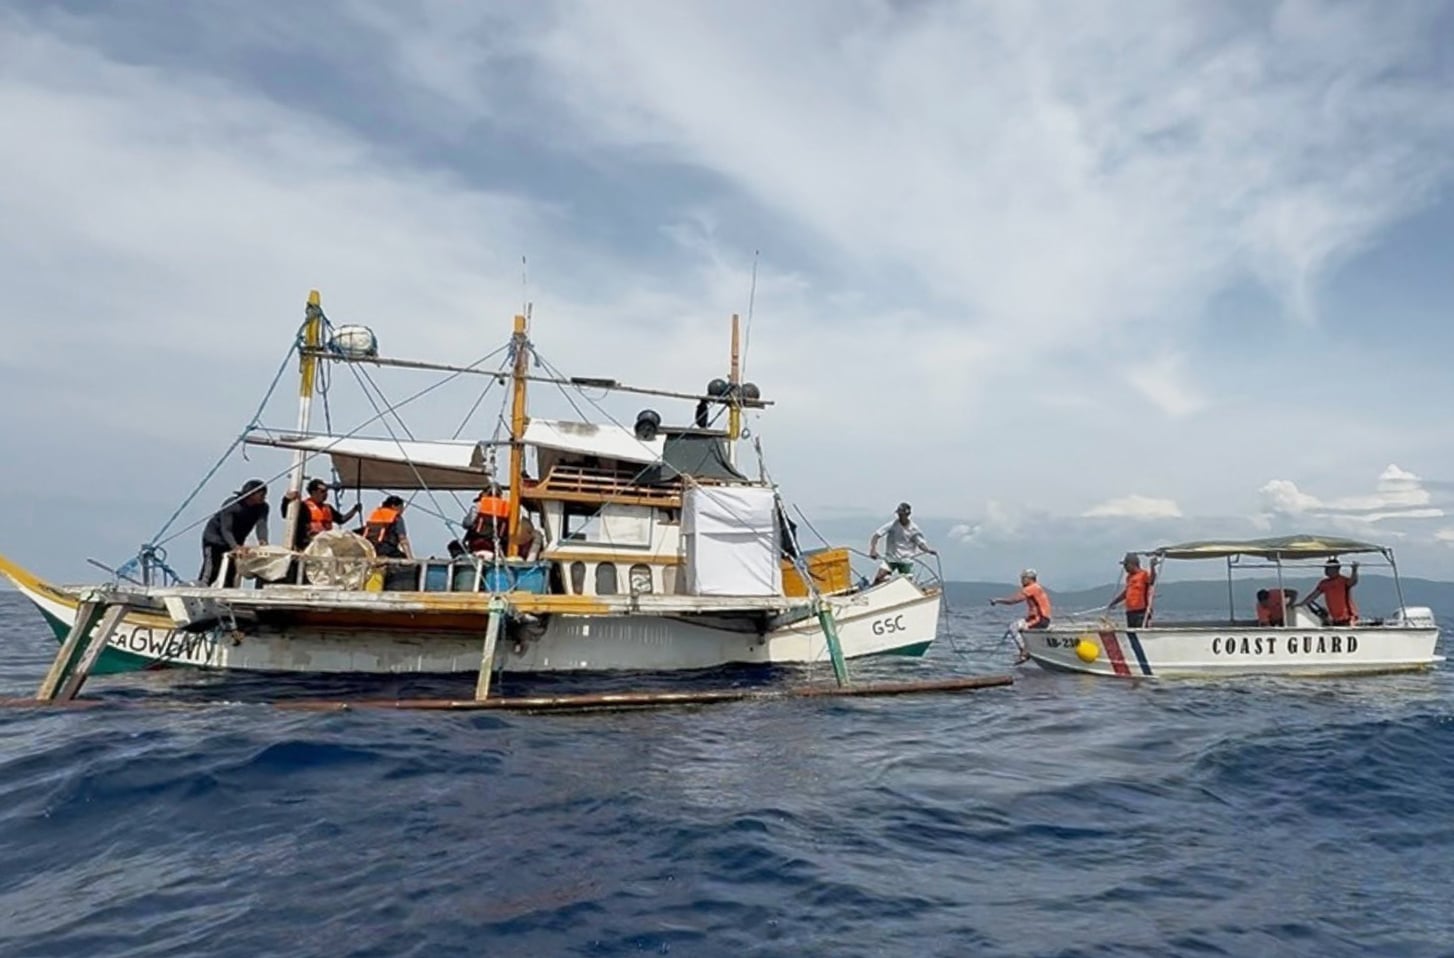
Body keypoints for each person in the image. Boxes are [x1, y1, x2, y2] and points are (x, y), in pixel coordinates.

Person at [199, 479, 270, 587]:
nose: (264, 496)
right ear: (251, 494)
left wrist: (263, 540)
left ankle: (225, 600)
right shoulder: (232, 505)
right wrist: (235, 547)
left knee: (231, 572)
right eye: (261, 494)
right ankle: (200, 592)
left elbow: (261, 525)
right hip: (215, 540)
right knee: (212, 570)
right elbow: (226, 530)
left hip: (237, 540)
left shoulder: (263, 508)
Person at [281, 478, 361, 551]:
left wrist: (354, 510)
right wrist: (286, 499)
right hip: (308, 545)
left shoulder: (328, 508)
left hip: (326, 544)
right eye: (322, 492)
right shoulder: (303, 506)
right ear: (313, 492)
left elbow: (341, 519)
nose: (325, 494)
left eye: (326, 491)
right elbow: (286, 514)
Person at [990, 568, 1052, 663]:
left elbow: (1013, 601)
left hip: (1040, 619)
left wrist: (997, 600)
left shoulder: (1031, 588)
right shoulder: (1037, 587)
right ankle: (1028, 650)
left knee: (1014, 627)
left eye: (1023, 578)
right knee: (1019, 626)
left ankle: (1024, 652)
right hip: (1042, 618)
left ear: (1029, 578)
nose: (1021, 581)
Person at [868, 502, 937, 584]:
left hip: (906, 560)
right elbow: (876, 536)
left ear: (908, 514)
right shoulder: (892, 525)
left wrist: (928, 550)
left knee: (906, 583)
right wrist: (873, 550)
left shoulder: (914, 529)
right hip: (891, 558)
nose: (900, 516)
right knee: (879, 578)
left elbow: (920, 543)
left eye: (902, 514)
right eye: (899, 514)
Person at [1294, 559, 1359, 626]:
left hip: (1347, 618)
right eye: (1326, 568)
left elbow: (1353, 581)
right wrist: (1301, 604)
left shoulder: (1343, 580)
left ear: (1336, 568)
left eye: (1328, 568)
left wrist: (1354, 570)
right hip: (1335, 619)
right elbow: (1313, 596)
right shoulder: (1324, 583)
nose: (1326, 570)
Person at [1107, 552, 1157, 628]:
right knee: (1131, 631)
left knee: (1140, 630)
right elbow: (1126, 592)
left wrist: (1152, 567)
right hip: (1130, 612)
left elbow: (1152, 581)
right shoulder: (1129, 577)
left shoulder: (1144, 574)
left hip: (1141, 612)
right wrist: (1115, 602)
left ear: (1133, 564)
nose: (1125, 568)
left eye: (1126, 565)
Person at [463, 485, 510, 554]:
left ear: (485, 493)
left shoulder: (479, 506)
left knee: (454, 545)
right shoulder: (507, 509)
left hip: (477, 544)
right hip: (496, 547)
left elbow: (467, 524)